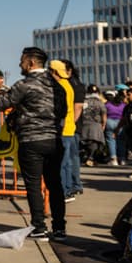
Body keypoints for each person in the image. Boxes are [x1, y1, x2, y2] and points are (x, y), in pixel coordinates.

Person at [0, 47, 67, 242]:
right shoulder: (57, 86)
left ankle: (39, 227)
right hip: (54, 140)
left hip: (31, 141)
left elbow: (3, 104)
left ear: (31, 63)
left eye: (22, 61)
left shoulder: (24, 85)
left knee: (33, 185)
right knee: (55, 184)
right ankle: (60, 228)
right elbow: (63, 111)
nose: (20, 64)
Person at [50, 60, 84, 201]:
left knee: (62, 163)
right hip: (68, 128)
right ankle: (68, 189)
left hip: (63, 129)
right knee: (67, 162)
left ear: (55, 72)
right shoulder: (68, 85)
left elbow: (63, 109)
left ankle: (64, 191)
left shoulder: (60, 87)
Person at [78, 84, 107, 166]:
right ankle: (90, 158)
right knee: (95, 143)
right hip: (96, 124)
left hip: (84, 123)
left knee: (85, 142)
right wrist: (104, 124)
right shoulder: (99, 102)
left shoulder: (83, 101)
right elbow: (104, 113)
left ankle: (87, 157)